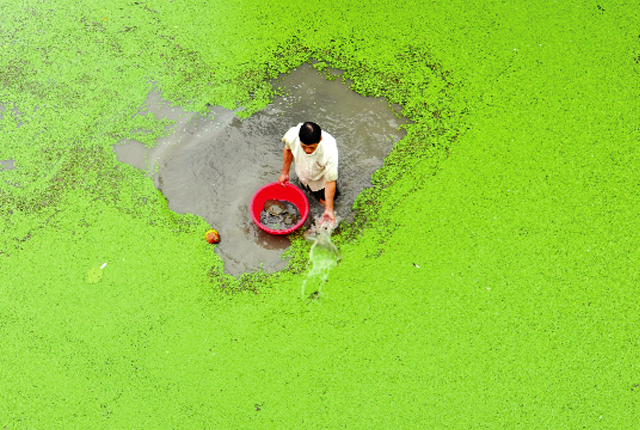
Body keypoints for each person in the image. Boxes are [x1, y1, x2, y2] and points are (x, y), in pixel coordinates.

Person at [278, 122, 339, 225]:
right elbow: (288, 149)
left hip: (320, 182)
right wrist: (284, 173)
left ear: (320, 140)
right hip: (303, 176)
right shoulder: (293, 136)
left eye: (312, 147)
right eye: (303, 146)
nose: (307, 150)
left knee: (325, 202)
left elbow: (330, 180)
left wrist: (329, 209)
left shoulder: (329, 150)